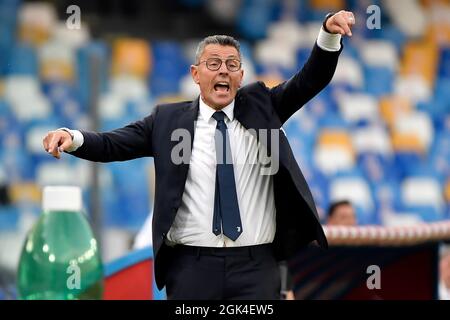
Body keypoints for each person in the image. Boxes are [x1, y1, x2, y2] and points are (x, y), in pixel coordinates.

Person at [42, 10, 355, 299]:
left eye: (232, 65)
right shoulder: (166, 121)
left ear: (241, 75)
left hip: (256, 266)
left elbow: (310, 79)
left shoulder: (265, 107)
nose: (224, 71)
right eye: (214, 63)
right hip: (192, 267)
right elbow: (114, 144)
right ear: (195, 73)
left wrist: (328, 31)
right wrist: (73, 138)